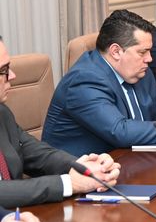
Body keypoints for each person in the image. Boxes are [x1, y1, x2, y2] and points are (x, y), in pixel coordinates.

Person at [42, 10, 156, 156]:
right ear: (116, 51)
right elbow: (120, 131)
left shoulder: (137, 70)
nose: (150, 58)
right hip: (81, 173)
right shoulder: (85, 81)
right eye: (142, 52)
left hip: (130, 160)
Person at [0, 37, 120, 207]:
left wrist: (83, 168)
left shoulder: (2, 113)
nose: (12, 76)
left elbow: (36, 154)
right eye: (3, 70)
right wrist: (69, 184)